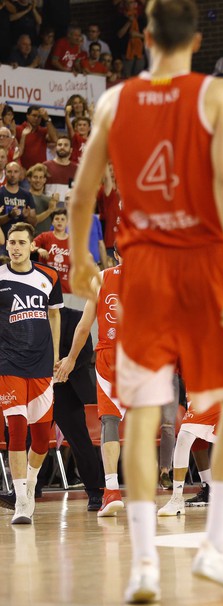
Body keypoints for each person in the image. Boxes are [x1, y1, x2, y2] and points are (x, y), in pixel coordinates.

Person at [66, 1, 223, 600]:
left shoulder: (113, 101)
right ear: (198, 39)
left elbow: (83, 194)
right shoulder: (219, 97)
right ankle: (215, 546)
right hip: (207, 262)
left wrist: (83, 259)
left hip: (145, 269)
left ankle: (143, 565)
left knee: (142, 411)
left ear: (147, 36)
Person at [54, 252, 125, 516]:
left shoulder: (102, 278)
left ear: (115, 255)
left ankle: (111, 491)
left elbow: (84, 327)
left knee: (110, 421)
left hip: (110, 355)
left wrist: (70, 359)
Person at [0, 222, 61, 525]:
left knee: (41, 440)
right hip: (8, 364)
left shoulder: (49, 276)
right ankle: (22, 499)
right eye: (12, 242)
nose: (15, 247)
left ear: (30, 246)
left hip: (42, 366)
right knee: (17, 428)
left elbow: (55, 313)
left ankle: (32, 481)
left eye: (21, 242)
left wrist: (59, 355)